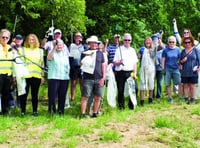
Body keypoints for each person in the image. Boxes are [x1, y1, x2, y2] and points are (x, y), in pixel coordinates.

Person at [80, 35, 106, 118]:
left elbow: (103, 66)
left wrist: (103, 77)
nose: (94, 44)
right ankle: (83, 114)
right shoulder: (84, 53)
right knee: (85, 96)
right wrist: (86, 58)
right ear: (89, 44)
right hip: (88, 78)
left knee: (98, 97)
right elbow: (81, 64)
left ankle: (95, 113)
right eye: (92, 43)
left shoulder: (100, 54)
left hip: (98, 78)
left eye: (95, 43)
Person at [19, 33, 44, 116]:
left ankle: (35, 111)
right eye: (29, 39)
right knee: (24, 94)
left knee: (35, 94)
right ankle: (23, 111)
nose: (31, 41)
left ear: (36, 40)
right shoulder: (23, 50)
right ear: (27, 40)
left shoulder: (40, 51)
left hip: (36, 76)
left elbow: (42, 64)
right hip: (26, 75)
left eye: (33, 39)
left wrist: (42, 75)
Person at [113, 33, 138, 110]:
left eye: (128, 40)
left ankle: (131, 105)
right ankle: (121, 106)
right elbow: (114, 62)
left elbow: (135, 63)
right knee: (120, 90)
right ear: (123, 40)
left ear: (131, 41)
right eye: (125, 40)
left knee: (134, 88)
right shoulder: (118, 49)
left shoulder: (132, 50)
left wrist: (135, 73)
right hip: (120, 72)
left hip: (130, 72)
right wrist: (119, 62)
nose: (127, 41)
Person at [47, 39, 70, 115]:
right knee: (52, 95)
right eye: (58, 44)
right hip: (54, 77)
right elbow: (49, 58)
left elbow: (68, 66)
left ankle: (61, 111)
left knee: (62, 95)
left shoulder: (65, 55)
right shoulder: (53, 52)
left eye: (61, 45)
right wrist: (54, 48)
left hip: (64, 78)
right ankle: (52, 110)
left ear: (63, 46)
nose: (59, 46)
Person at [180, 36, 200, 104]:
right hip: (185, 71)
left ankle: (192, 99)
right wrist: (183, 60)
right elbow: (180, 62)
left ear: (192, 42)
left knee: (192, 86)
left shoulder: (195, 50)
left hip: (193, 71)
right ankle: (186, 98)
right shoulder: (182, 51)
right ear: (184, 43)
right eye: (186, 42)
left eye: (189, 42)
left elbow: (199, 59)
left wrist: (199, 67)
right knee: (185, 85)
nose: (187, 44)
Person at [162, 36, 182, 103]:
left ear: (175, 42)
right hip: (167, 68)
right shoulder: (165, 50)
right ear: (168, 42)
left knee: (179, 83)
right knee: (168, 84)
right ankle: (170, 98)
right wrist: (163, 68)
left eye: (173, 42)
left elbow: (180, 59)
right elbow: (163, 60)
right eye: (170, 42)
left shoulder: (177, 49)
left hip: (176, 69)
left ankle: (180, 97)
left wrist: (180, 65)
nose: (171, 43)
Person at [0, 29, 15, 114]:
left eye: (6, 37)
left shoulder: (10, 48)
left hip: (8, 74)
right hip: (0, 74)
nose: (5, 39)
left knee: (6, 93)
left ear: (9, 38)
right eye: (3, 37)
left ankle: (5, 111)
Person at [69, 32, 86, 103]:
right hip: (74, 66)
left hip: (82, 67)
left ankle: (83, 97)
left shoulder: (84, 47)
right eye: (76, 37)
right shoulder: (71, 46)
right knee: (73, 83)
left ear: (81, 39)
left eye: (79, 37)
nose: (78, 38)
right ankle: (72, 97)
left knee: (82, 83)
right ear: (74, 38)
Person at [139, 37, 156, 106]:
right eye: (146, 41)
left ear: (151, 42)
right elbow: (138, 57)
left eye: (149, 41)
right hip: (143, 69)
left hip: (151, 69)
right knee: (142, 85)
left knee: (151, 84)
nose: (148, 42)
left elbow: (154, 57)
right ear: (145, 42)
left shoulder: (153, 49)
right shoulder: (142, 49)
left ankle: (150, 99)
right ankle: (142, 101)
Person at [11, 34, 24, 107]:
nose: (18, 40)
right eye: (17, 39)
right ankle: (12, 105)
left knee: (20, 88)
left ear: (22, 41)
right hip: (12, 71)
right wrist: (11, 47)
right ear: (14, 40)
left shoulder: (24, 49)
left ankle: (19, 104)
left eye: (20, 39)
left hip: (21, 71)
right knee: (12, 89)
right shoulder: (11, 48)